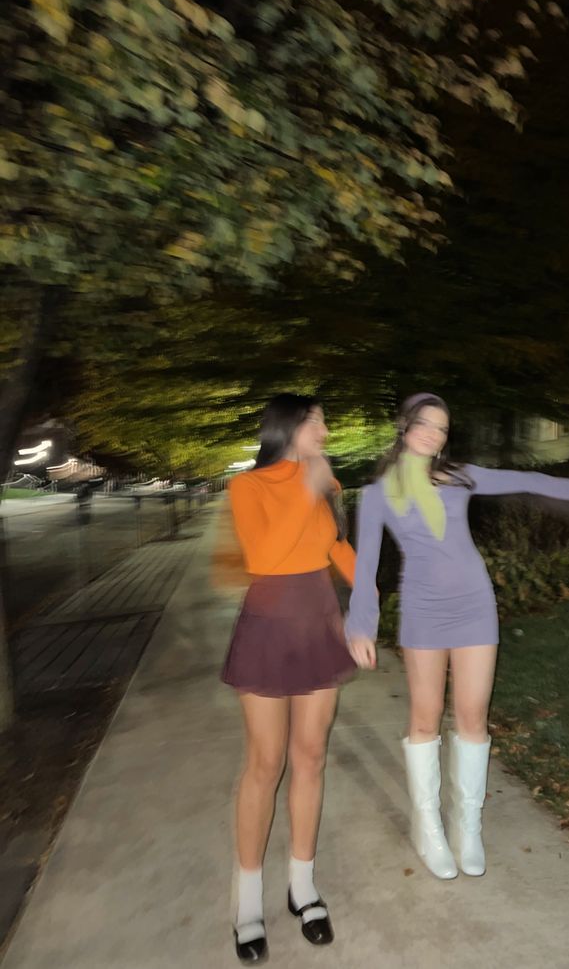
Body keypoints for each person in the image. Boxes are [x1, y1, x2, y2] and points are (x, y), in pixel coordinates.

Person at [346, 393, 569, 881]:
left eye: (442, 428)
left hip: (474, 606)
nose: (434, 433)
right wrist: (360, 624)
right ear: (405, 426)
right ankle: (428, 827)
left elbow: (526, 480)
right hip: (424, 612)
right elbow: (365, 569)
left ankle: (467, 826)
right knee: (425, 720)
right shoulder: (378, 494)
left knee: (472, 717)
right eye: (425, 424)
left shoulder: (460, 476)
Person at [221, 394, 356, 964]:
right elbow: (265, 555)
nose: (326, 427)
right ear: (290, 426)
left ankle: (302, 884)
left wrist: (371, 605)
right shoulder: (248, 488)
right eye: (318, 419)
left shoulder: (324, 484)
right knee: (265, 762)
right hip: (269, 626)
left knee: (311, 756)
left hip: (319, 624)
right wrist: (308, 487)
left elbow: (334, 548)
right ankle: (245, 898)